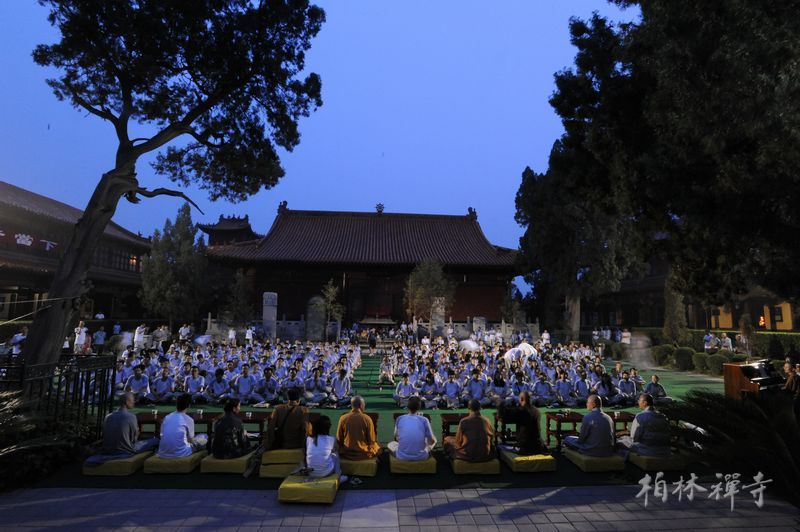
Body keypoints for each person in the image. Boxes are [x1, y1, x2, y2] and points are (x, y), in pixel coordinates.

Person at [157, 393, 208, 458]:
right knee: (204, 436)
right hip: (181, 453)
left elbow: (161, 435)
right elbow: (191, 441)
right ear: (189, 405)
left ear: (176, 405)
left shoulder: (167, 417)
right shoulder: (189, 419)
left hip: (162, 453)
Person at [388, 396, 436, 460]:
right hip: (421, 456)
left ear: (407, 406)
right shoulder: (424, 419)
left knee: (391, 444)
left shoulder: (400, 418)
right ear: (419, 407)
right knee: (434, 440)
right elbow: (431, 441)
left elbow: (396, 437)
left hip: (402, 456)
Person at [336, 396, 380, 461]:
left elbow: (339, 438)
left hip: (347, 452)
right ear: (361, 405)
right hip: (364, 453)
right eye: (364, 404)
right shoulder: (367, 418)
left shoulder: (343, 418)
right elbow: (371, 440)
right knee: (377, 447)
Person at [306, 415, 347, 482]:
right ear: (328, 427)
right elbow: (336, 449)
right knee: (335, 454)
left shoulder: (309, 439)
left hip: (311, 473)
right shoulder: (331, 439)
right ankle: (338, 476)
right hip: (326, 473)